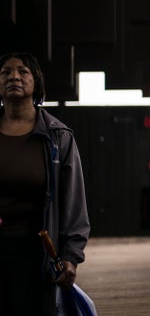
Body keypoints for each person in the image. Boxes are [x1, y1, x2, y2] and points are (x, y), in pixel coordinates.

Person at [0, 52, 91, 316]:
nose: (14, 76)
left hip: (36, 256)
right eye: (6, 72)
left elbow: (74, 201)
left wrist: (71, 256)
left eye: (23, 71)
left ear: (36, 83)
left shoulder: (58, 137)